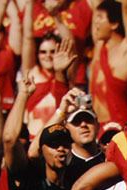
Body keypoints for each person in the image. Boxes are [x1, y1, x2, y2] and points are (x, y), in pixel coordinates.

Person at [21, 0, 78, 138]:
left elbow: (69, 41)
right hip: (33, 139)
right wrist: (29, 4)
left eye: (53, 51)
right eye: (43, 52)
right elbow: (27, 38)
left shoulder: (66, 73)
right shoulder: (31, 72)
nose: (48, 56)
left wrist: (56, 16)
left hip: (59, 139)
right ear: (37, 54)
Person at [89, 0, 127, 125]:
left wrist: (126, 7)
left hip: (119, 125)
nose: (95, 21)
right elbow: (95, 5)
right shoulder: (100, 47)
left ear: (114, 24)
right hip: (96, 126)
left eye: (100, 17)